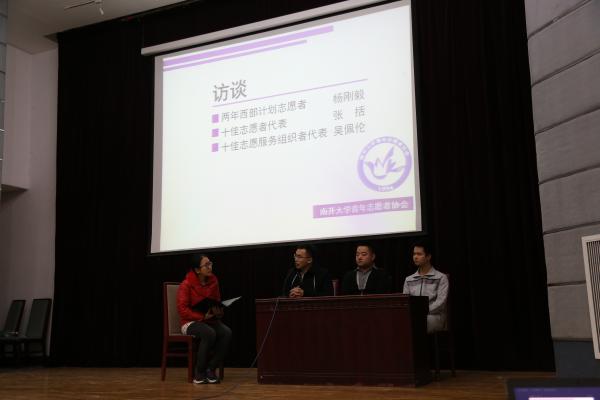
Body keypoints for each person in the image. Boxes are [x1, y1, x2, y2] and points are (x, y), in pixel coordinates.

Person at [177, 254, 232, 384]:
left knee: (226, 332)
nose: (210, 267)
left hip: (208, 321)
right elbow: (182, 310)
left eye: (210, 263)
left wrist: (218, 312)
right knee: (209, 333)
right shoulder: (186, 284)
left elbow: (216, 301)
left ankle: (210, 369)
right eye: (206, 265)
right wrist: (201, 317)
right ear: (197, 270)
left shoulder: (213, 281)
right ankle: (199, 373)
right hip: (189, 322)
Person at [403, 241, 449, 333]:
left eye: (419, 254)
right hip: (415, 315)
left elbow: (441, 302)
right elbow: (405, 301)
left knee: (421, 322)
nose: (415, 257)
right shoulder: (409, 279)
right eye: (414, 254)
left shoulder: (441, 277)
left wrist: (422, 312)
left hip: (434, 316)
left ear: (428, 257)